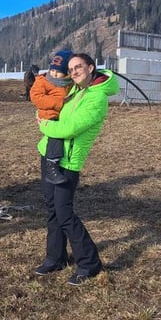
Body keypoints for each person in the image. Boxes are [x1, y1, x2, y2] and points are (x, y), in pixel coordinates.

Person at [33, 53, 119, 286]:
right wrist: (44, 115)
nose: (74, 72)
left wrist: (46, 125)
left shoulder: (97, 97)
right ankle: (55, 257)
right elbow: (50, 105)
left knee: (64, 213)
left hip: (67, 162)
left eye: (78, 67)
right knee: (52, 208)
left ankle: (90, 263)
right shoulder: (74, 90)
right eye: (71, 69)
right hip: (48, 153)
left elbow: (70, 127)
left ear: (91, 67)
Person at [29, 50, 73, 185]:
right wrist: (59, 103)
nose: (53, 73)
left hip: (61, 115)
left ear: (67, 72)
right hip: (49, 114)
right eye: (52, 69)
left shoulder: (69, 83)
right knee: (56, 135)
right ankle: (51, 164)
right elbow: (36, 97)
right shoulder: (43, 81)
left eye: (58, 71)